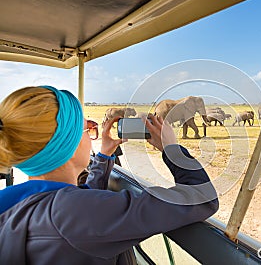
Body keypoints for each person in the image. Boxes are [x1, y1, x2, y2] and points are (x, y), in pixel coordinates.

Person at [0, 86, 218, 264]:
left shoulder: (13, 203)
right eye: (87, 130)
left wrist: (103, 156)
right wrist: (172, 149)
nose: (91, 138)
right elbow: (202, 197)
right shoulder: (76, 212)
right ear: (69, 144)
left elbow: (81, 203)